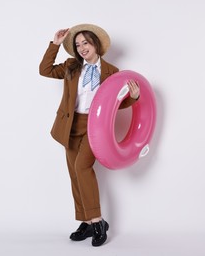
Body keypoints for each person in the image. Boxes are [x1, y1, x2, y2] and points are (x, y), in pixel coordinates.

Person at [39, 24, 140, 247]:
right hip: (70, 125)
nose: (82, 47)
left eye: (86, 42)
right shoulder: (71, 66)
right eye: (78, 44)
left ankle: (98, 221)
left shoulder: (112, 72)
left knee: (82, 168)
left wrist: (134, 97)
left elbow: (120, 102)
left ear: (95, 44)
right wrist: (55, 45)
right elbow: (44, 70)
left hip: (96, 127)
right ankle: (85, 221)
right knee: (74, 174)